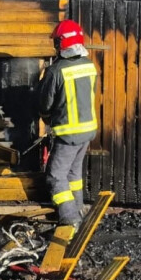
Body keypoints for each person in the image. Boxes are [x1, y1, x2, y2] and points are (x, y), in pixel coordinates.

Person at [37, 19, 98, 228]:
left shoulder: (56, 70)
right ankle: (78, 208)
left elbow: (46, 104)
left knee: (55, 176)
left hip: (68, 134)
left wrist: (45, 116)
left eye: (56, 42)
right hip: (87, 131)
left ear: (61, 43)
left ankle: (70, 219)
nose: (54, 46)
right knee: (73, 174)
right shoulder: (89, 65)